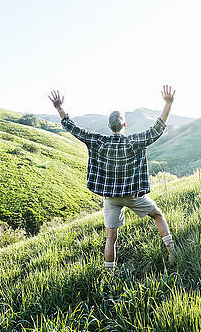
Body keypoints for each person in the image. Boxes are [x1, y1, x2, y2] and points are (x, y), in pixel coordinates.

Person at [48, 85, 176, 271]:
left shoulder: (98, 141)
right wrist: (168, 103)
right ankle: (172, 252)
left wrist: (59, 108)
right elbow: (158, 128)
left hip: (111, 199)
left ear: (109, 126)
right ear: (124, 125)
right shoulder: (134, 141)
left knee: (111, 237)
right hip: (134, 195)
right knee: (157, 215)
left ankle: (109, 274)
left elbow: (74, 128)